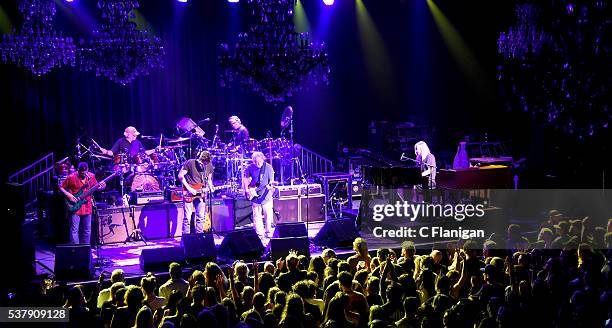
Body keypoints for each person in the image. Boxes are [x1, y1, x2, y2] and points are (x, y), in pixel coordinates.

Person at [59, 162, 105, 244]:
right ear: (78, 170)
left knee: (87, 230)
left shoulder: (91, 176)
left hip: (87, 206)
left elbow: (96, 188)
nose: (83, 174)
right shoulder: (71, 177)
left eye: (85, 172)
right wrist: (68, 195)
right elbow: (61, 187)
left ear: (87, 171)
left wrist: (102, 187)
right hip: (75, 207)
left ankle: (86, 250)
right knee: (74, 230)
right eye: (81, 172)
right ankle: (76, 251)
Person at [178, 151, 214, 234]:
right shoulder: (190, 163)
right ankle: (185, 239)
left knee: (201, 217)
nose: (204, 165)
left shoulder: (209, 166)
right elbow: (180, 176)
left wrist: (211, 187)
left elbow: (209, 179)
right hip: (189, 193)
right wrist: (189, 188)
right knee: (187, 218)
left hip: (201, 193)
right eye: (202, 162)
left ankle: (199, 237)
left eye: (206, 163)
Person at [243, 151, 275, 237]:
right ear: (253, 161)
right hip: (255, 195)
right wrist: (246, 189)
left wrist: (270, 186)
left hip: (266, 195)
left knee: (268, 215)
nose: (258, 163)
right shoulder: (249, 167)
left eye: (259, 161)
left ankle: (268, 232)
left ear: (263, 159)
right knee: (256, 215)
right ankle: (259, 233)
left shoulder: (268, 168)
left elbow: (271, 181)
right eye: (255, 162)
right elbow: (245, 179)